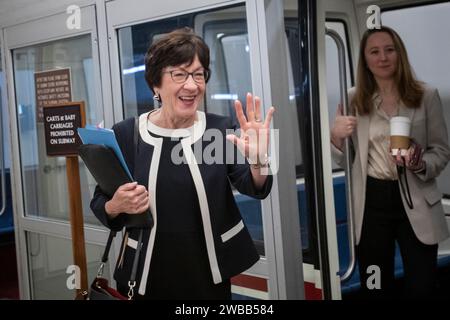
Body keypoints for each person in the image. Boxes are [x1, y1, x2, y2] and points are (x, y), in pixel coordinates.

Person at [90, 27, 275, 300]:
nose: (192, 85)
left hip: (208, 275)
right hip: (143, 277)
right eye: (179, 74)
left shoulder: (218, 129)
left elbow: (255, 187)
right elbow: (100, 202)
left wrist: (260, 159)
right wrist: (116, 205)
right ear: (156, 83)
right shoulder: (128, 133)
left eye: (199, 74)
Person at [330, 26, 450, 299]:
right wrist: (335, 137)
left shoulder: (425, 95)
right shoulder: (354, 98)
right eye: (374, 51)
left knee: (422, 287)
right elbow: (347, 161)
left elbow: (441, 152)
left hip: (415, 197)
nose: (383, 57)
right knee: (375, 285)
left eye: (389, 49)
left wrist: (420, 162)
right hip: (371, 202)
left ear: (400, 54)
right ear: (365, 59)